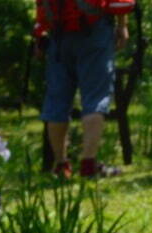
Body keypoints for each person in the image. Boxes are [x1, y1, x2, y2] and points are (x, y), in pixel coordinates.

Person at [35, 0, 129, 178]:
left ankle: (61, 166)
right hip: (94, 31)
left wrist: (39, 35)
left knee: (57, 101)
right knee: (95, 98)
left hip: (58, 34)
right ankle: (88, 165)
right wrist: (122, 25)